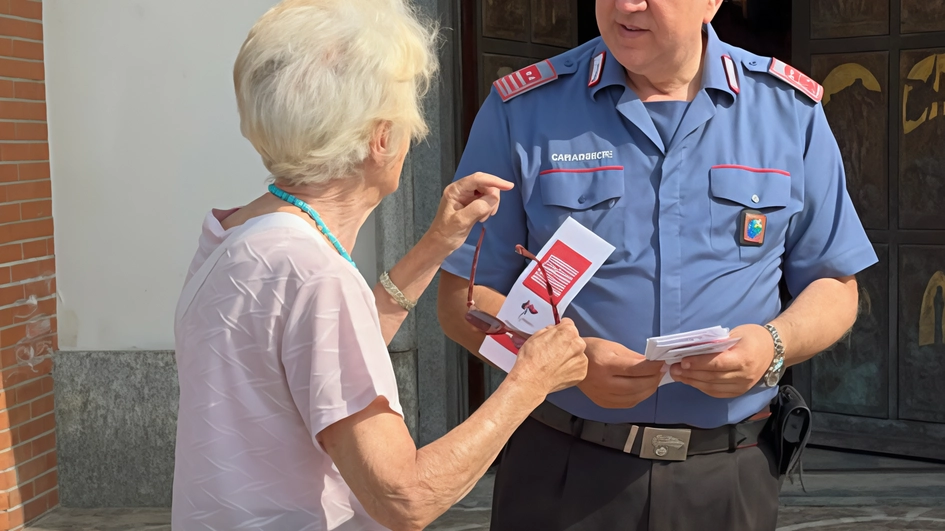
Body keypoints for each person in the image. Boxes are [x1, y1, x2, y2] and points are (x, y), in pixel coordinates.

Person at [437, 0, 876, 530]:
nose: (627, 5)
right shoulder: (525, 109)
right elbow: (462, 301)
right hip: (563, 469)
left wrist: (771, 346)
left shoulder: (788, 112)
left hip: (728, 474)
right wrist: (563, 362)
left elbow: (833, 283)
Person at [171, 1, 588, 530]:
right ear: (381, 138)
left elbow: (318, 355)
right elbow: (404, 498)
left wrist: (437, 243)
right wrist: (530, 382)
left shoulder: (236, 234)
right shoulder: (313, 272)